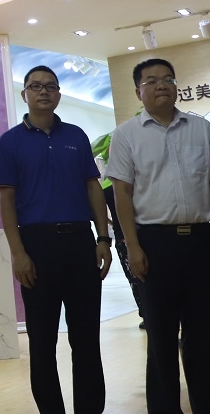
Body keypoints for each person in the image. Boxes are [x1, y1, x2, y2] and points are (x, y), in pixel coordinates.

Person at [106, 59, 210, 414]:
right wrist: (133, 246)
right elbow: (122, 194)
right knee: (161, 338)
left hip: (199, 241)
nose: (161, 85)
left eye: (168, 79)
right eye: (151, 81)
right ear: (139, 91)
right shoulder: (127, 135)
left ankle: (208, 408)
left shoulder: (200, 128)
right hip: (153, 245)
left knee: (202, 335)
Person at [0, 65, 111, 414]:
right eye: (36, 86)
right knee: (42, 340)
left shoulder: (76, 136)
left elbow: (93, 187)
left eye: (50, 86)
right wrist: (18, 253)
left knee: (86, 337)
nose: (43, 91)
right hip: (37, 245)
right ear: (25, 94)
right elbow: (6, 200)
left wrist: (103, 238)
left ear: (59, 93)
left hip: (80, 242)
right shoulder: (10, 141)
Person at [90, 131, 143, 326]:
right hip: (129, 236)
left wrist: (112, 225)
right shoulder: (117, 185)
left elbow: (99, 211)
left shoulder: (108, 186)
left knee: (135, 277)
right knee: (138, 277)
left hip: (126, 236)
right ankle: (147, 314)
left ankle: (146, 313)